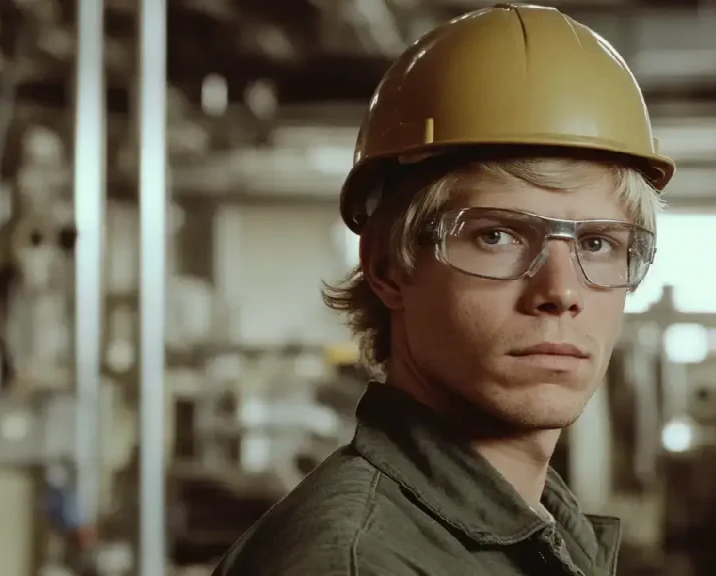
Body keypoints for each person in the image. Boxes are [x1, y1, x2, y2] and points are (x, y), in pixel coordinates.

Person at [212, 3, 674, 575]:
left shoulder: (532, 527)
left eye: (598, 244)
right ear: (387, 266)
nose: (561, 291)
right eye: (498, 235)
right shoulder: (358, 565)